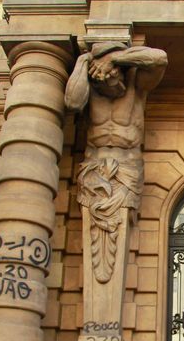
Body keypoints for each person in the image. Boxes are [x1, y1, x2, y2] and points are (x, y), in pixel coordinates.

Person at [64, 41, 167, 283]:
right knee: (97, 249)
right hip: (94, 171)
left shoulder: (136, 84)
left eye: (113, 75)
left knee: (112, 250)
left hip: (126, 169)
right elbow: (72, 103)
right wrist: (83, 61)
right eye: (103, 78)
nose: (111, 81)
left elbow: (159, 57)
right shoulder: (90, 89)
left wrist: (117, 58)